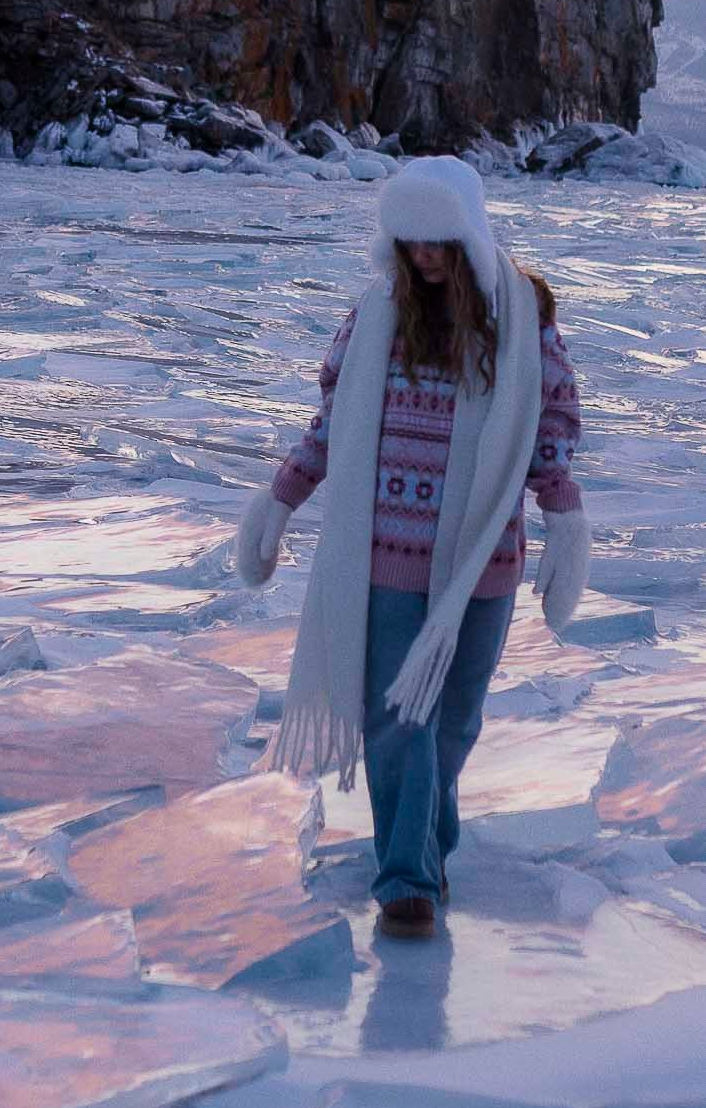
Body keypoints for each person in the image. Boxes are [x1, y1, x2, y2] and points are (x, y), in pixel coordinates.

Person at [235, 156, 587, 937]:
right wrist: (282, 496)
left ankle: (428, 845)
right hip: (386, 557)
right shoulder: (375, 318)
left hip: (480, 564)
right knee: (400, 722)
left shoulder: (520, 319)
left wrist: (562, 510)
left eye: (437, 241)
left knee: (453, 724)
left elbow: (551, 420)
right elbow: (332, 426)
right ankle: (407, 879)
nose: (423, 256)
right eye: (410, 241)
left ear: (467, 236)